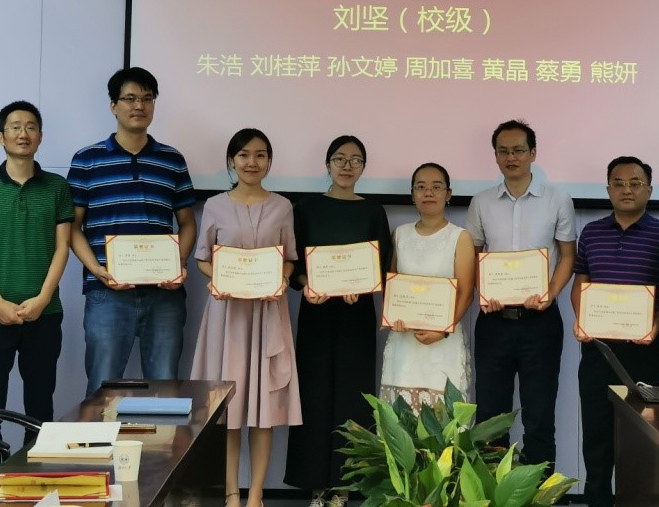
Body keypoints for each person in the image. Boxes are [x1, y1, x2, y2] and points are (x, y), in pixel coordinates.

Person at [68, 67, 198, 397]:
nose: (139, 105)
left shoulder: (172, 160)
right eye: (130, 98)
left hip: (164, 294)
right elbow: (72, 227)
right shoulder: (86, 160)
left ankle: (160, 437)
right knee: (102, 389)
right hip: (107, 292)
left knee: (164, 389)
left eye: (147, 98)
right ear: (113, 106)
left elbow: (187, 222)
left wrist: (179, 263)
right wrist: (97, 269)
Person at [191, 128, 300, 507]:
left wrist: (281, 278)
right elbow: (203, 258)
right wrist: (219, 278)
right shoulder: (214, 205)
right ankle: (231, 494)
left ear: (269, 161)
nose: (252, 162)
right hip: (228, 316)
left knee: (263, 409)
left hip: (267, 313)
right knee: (229, 409)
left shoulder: (283, 206)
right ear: (231, 161)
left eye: (260, 155)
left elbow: (289, 258)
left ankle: (255, 496)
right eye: (243, 155)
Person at [0, 100, 74, 473]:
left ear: (40, 136)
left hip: (44, 313)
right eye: (14, 127)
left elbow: (62, 248)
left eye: (30, 127)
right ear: (1, 137)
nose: (23, 134)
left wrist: (42, 298)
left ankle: (35, 479)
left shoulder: (57, 187)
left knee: (40, 405)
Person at [285, 136, 392, 507]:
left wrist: (363, 287)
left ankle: (345, 487)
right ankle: (316, 485)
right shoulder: (306, 208)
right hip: (316, 312)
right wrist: (305, 283)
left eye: (356, 160)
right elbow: (294, 263)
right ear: (327, 164)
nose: (347, 166)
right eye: (340, 159)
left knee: (352, 396)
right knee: (313, 395)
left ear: (364, 167)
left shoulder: (373, 211)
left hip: (356, 314)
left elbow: (381, 264)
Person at [465, 119, 576, 468]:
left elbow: (568, 256)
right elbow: (474, 257)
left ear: (533, 153)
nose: (511, 157)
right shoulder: (481, 202)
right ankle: (489, 491)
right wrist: (486, 291)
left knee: (539, 418)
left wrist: (550, 293)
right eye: (503, 151)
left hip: (540, 323)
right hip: (493, 322)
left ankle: (539, 491)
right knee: (490, 419)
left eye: (518, 150)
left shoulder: (557, 199)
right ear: (495, 156)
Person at [572, 156, 659, 507]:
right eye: (618, 183)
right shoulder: (591, 232)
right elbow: (580, 283)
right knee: (597, 438)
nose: (626, 189)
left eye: (635, 183)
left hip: (643, 350)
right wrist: (582, 319)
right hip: (598, 349)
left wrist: (658, 319)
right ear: (608, 189)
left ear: (649, 189)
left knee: (643, 438)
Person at [380, 162, 475, 407]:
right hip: (404, 341)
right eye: (421, 187)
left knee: (443, 420)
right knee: (400, 419)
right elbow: (392, 286)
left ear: (448, 194)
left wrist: (443, 330)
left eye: (436, 187)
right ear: (413, 195)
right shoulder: (399, 234)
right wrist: (394, 316)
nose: (428, 193)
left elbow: (466, 293)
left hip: (444, 341)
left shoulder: (460, 237)